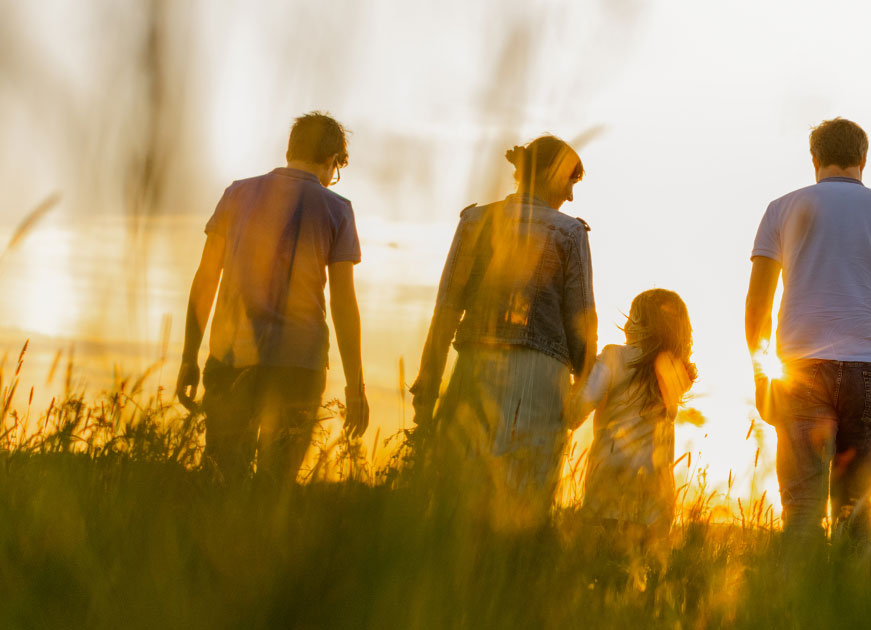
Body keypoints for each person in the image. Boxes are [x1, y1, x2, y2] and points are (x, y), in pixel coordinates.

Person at [744, 117, 871, 544]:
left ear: (815, 159)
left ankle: (795, 608)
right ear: (863, 159)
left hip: (800, 368)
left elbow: (758, 304)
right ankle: (850, 609)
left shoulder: (782, 208)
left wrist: (761, 376)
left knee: (803, 509)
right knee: (854, 511)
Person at [410, 135, 596, 530]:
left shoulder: (475, 220)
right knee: (526, 500)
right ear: (552, 174)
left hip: (476, 367)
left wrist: (428, 380)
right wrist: (581, 388)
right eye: (570, 183)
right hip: (543, 378)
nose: (571, 196)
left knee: (459, 496)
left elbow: (445, 309)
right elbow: (581, 320)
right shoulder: (570, 233)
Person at [175, 111, 369, 482]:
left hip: (231, 358)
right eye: (335, 170)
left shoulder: (237, 193)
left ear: (289, 150)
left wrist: (189, 355)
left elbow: (206, 279)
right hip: (300, 365)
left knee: (221, 482)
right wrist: (355, 387)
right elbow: (344, 304)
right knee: (275, 489)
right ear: (332, 161)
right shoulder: (336, 209)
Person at [573, 289, 697, 546]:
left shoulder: (614, 356)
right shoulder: (674, 375)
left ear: (644, 325)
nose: (627, 324)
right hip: (656, 506)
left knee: (601, 572)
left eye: (633, 317)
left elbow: (584, 403)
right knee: (637, 577)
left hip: (607, 495)